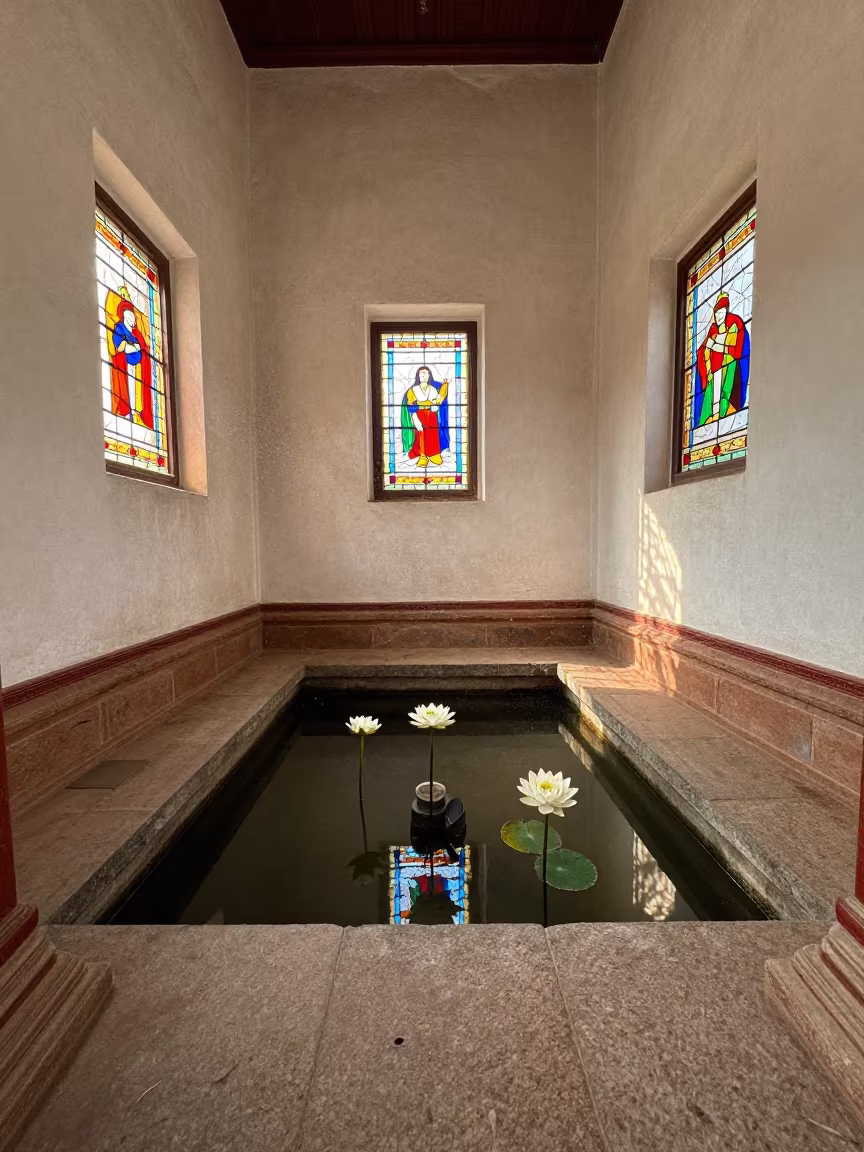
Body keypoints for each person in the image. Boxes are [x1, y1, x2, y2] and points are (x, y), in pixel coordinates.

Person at [693, 292, 750, 431]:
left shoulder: (734, 325)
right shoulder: (713, 330)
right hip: (714, 368)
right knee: (713, 396)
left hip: (727, 365)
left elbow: (733, 348)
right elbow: (705, 350)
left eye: (722, 313)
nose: (719, 317)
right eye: (717, 313)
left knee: (724, 394)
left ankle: (722, 415)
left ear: (726, 312)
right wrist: (708, 367)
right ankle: (712, 417)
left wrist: (716, 345)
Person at [108, 288, 154, 437]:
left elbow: (143, 348)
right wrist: (132, 347)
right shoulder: (119, 328)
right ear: (124, 316)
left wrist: (137, 347)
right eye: (129, 316)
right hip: (126, 365)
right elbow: (119, 346)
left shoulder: (136, 334)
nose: (132, 319)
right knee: (128, 389)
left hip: (137, 366)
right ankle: (128, 412)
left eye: (133, 317)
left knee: (136, 391)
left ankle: (136, 412)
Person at [401, 365, 450, 468]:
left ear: (429, 375)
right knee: (421, 435)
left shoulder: (433, 388)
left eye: (425, 374)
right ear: (418, 376)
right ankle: (423, 456)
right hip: (420, 415)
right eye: (421, 374)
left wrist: (445, 386)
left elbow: (438, 400)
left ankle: (434, 454)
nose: (423, 376)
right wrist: (415, 418)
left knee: (433, 433)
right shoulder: (412, 390)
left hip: (432, 415)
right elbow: (411, 405)